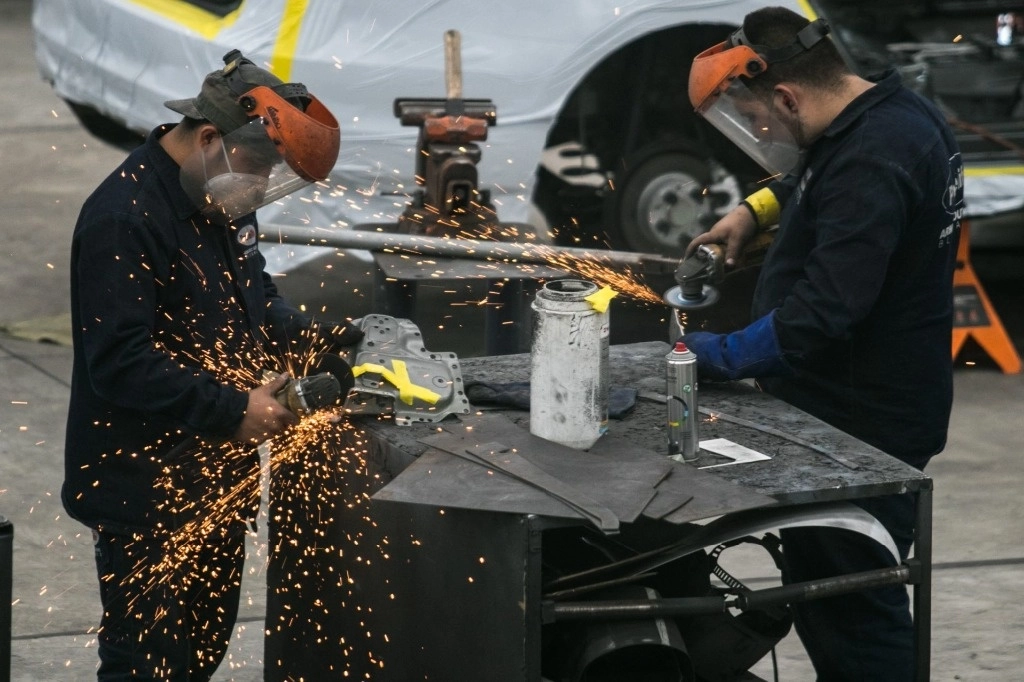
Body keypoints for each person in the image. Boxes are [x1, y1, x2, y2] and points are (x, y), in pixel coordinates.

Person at [680, 7, 963, 680]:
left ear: (784, 95)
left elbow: (820, 315)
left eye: (756, 121)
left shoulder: (874, 155)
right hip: (852, 410)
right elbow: (812, 175)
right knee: (832, 602)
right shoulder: (888, 114)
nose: (760, 133)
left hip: (864, 428)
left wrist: (711, 357)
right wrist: (755, 211)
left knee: (856, 614)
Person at [64, 50, 362, 681]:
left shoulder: (220, 194)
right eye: (258, 171)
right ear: (208, 138)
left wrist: (324, 340)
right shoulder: (123, 217)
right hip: (146, 494)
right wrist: (234, 409)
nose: (258, 190)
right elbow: (118, 363)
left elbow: (255, 301)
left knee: (197, 655)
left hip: (211, 482)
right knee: (147, 665)